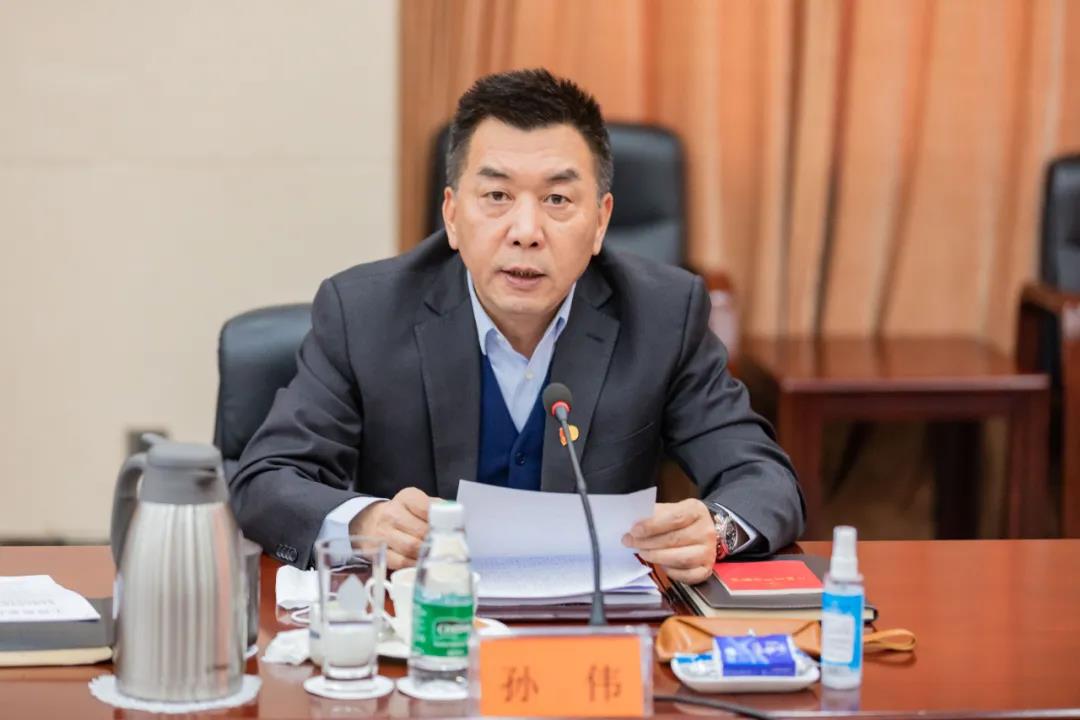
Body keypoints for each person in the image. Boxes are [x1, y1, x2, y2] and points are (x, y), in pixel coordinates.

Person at [229, 68, 804, 583]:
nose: (526, 231)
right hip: (422, 626)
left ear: (600, 222)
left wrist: (715, 530)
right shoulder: (364, 313)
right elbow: (265, 480)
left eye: (557, 200)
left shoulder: (662, 314)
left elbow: (764, 478)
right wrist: (365, 523)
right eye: (497, 195)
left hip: (593, 634)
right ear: (452, 214)